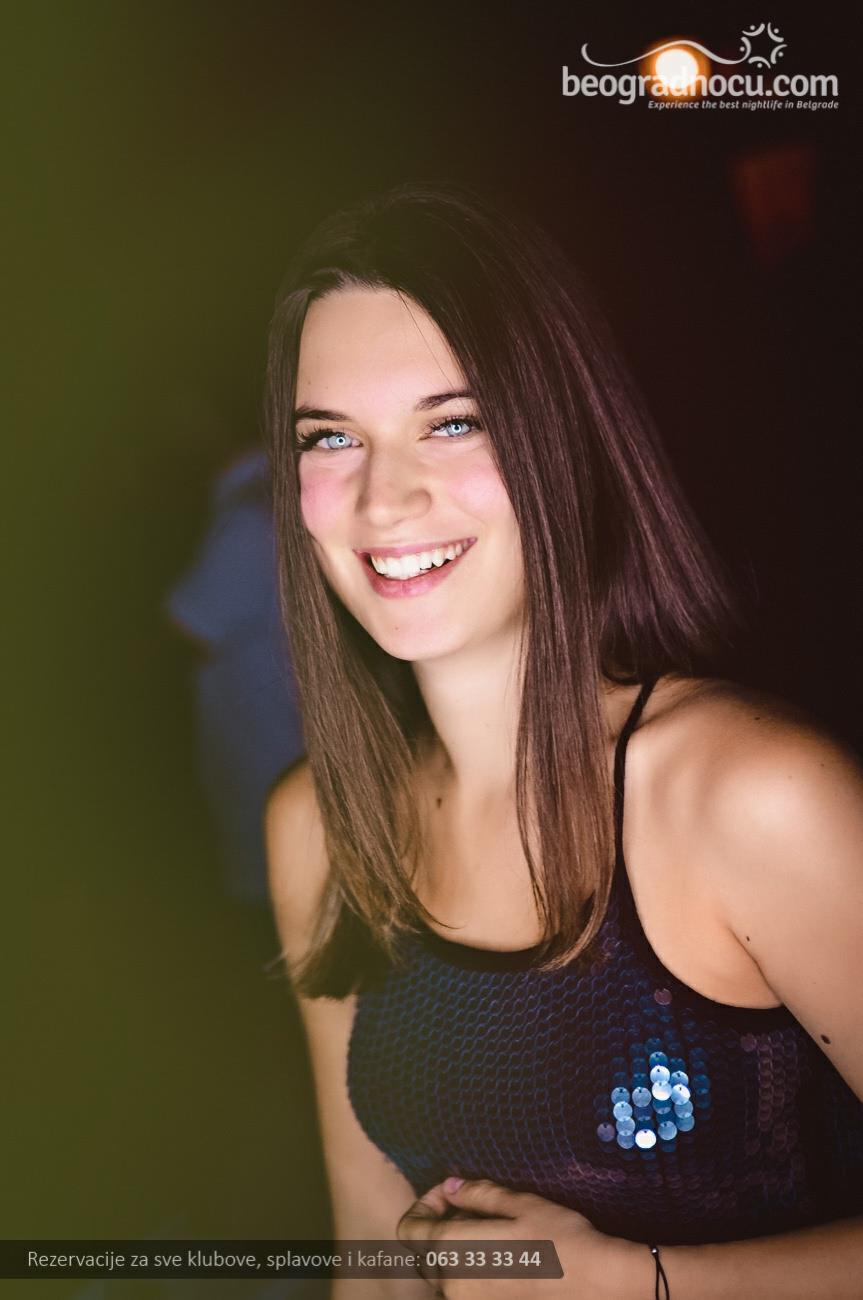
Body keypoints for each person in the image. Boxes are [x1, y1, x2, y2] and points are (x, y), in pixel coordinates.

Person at [263, 182, 863, 1299]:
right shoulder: (319, 829)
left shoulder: (747, 795)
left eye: (452, 422)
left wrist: (639, 1284)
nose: (384, 499)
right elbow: (368, 1254)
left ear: (559, 437)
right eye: (331, 438)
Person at [167, 445, 305, 906]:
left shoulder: (252, 520)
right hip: (287, 732)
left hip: (269, 744)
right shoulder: (272, 495)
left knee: (268, 884)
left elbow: (186, 630)